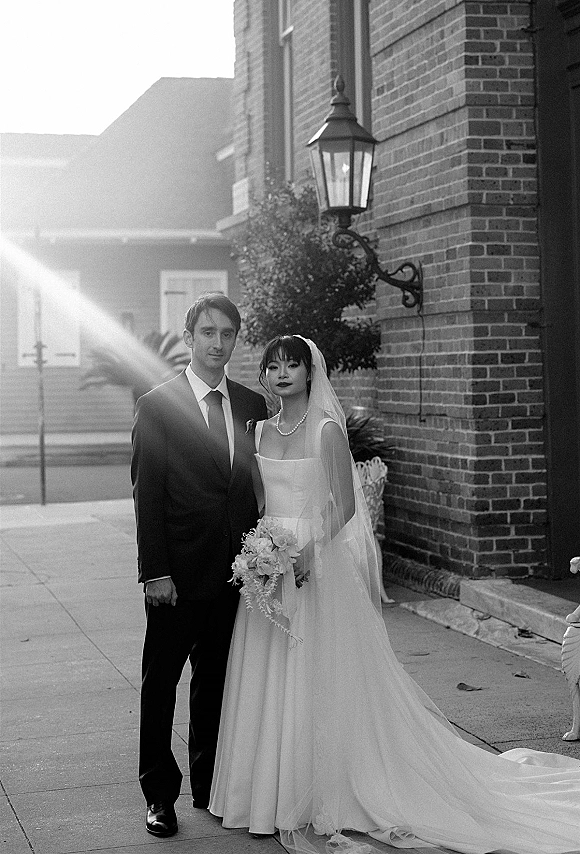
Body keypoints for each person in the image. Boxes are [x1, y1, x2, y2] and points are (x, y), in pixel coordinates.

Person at [209, 334, 580, 854]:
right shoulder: (260, 432)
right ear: (265, 377)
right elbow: (261, 501)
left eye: (293, 365)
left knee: (317, 678)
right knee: (267, 674)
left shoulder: (327, 431)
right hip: (270, 571)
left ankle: (317, 792)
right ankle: (265, 795)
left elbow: (343, 506)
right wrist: (261, 553)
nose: (283, 374)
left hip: (315, 566)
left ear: (310, 374)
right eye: (273, 367)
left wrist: (307, 552)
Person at [131, 292, 267, 837]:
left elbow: (258, 489)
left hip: (236, 574)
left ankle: (209, 786)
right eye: (207, 333)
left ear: (235, 340)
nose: (217, 343)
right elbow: (149, 495)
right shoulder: (157, 404)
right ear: (189, 339)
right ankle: (159, 796)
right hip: (177, 575)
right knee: (160, 685)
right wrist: (154, 571)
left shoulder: (252, 405)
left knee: (216, 683)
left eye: (227, 334)